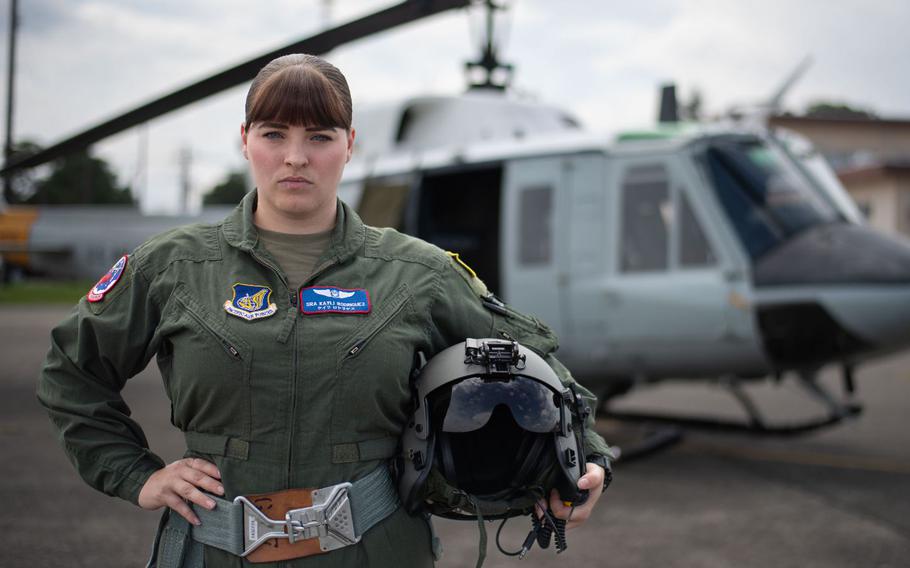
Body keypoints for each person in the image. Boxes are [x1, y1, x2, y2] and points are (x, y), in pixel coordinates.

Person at [37, 53, 612, 567]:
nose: (295, 158)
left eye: (319, 136)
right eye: (273, 133)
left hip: (375, 550)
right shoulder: (173, 266)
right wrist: (137, 475)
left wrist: (587, 459)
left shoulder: (418, 272)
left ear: (349, 144)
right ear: (244, 139)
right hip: (212, 550)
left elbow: (537, 366)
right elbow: (72, 372)